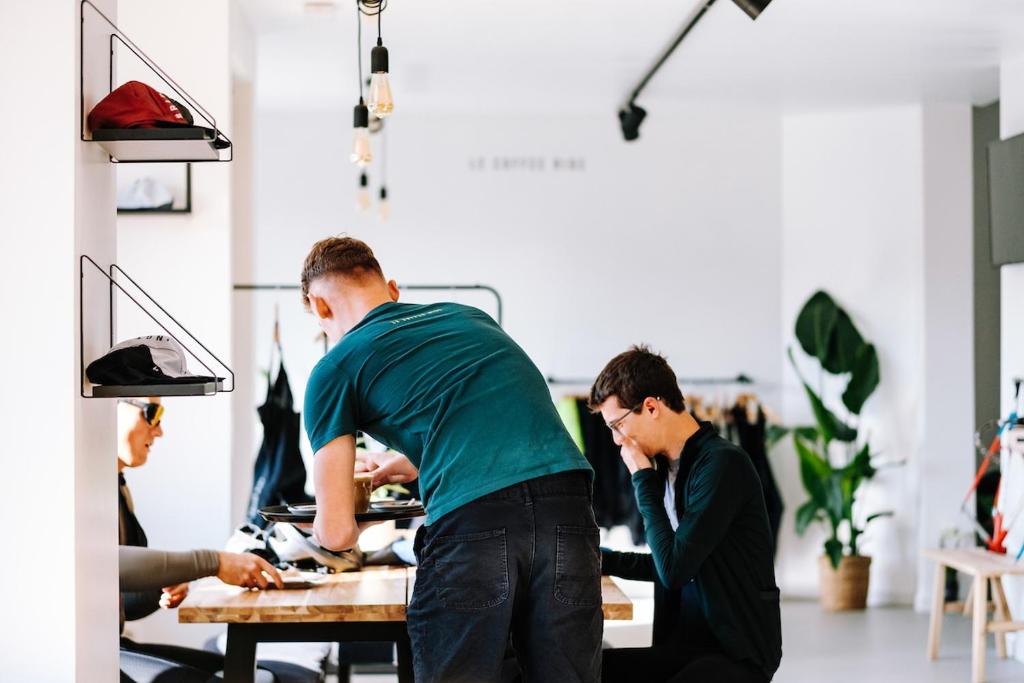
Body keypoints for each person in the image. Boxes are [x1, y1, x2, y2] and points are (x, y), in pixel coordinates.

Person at [299, 236, 601, 682]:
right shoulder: (469, 317)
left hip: (476, 525)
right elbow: (496, 434)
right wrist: (404, 464)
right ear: (392, 290)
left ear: (319, 306)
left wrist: (337, 514)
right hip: (568, 506)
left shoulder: (334, 369)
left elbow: (338, 531)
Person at [589, 347, 782, 683]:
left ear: (651, 406)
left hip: (735, 652)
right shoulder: (666, 470)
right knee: (585, 672)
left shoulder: (722, 465)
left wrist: (642, 481)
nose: (617, 441)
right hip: (684, 645)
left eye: (618, 426)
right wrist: (594, 558)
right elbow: (668, 562)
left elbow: (675, 571)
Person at [116, 398, 288, 683]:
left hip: (114, 648)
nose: (159, 431)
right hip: (88, 656)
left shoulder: (118, 488)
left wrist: (162, 582)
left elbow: (125, 604)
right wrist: (212, 563)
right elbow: (104, 563)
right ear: (110, 406)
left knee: (260, 677)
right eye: (152, 413)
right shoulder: (83, 489)